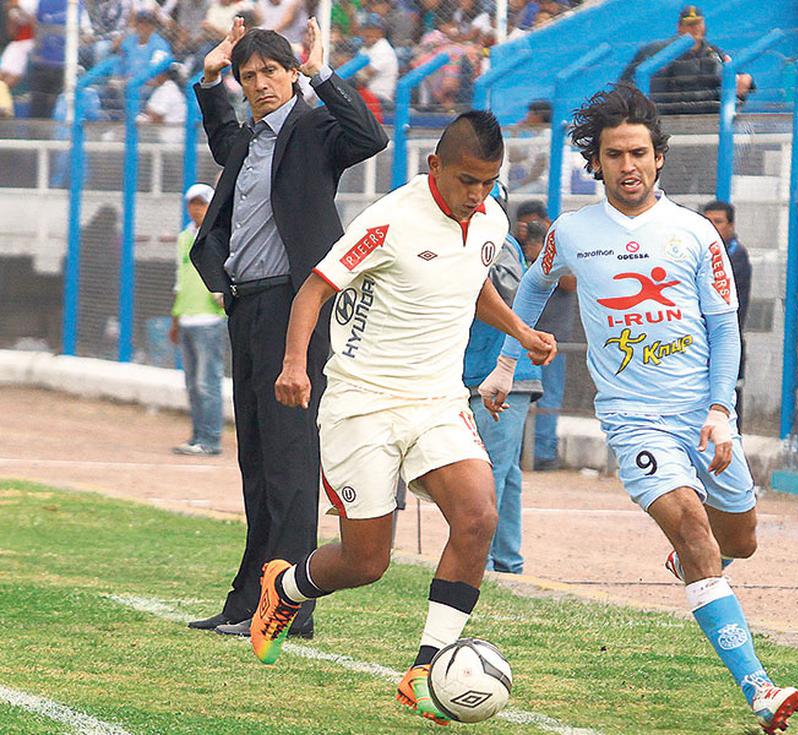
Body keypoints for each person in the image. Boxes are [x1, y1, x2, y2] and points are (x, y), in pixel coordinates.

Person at [479, 84, 798, 734]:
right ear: (594, 163)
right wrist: (510, 357)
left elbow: (724, 328)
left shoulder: (695, 233)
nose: (628, 165)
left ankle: (693, 561)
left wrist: (719, 409)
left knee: (740, 538)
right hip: (633, 418)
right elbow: (537, 282)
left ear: (659, 159)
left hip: (702, 415)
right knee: (692, 528)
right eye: (614, 154)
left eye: (639, 153)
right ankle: (760, 688)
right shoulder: (571, 232)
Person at [244, 111, 557, 726]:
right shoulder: (389, 220)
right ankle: (284, 589)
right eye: (467, 180)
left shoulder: (488, 219)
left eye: (489, 182)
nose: (478, 196)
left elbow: (472, 281)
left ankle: (426, 668)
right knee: (367, 563)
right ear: (434, 165)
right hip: (362, 402)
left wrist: (519, 328)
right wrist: (294, 366)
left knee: (478, 516)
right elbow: (314, 289)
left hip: (437, 399)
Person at [185, 17, 388, 638]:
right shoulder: (245, 140)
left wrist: (323, 70)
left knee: (291, 462)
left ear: (292, 72)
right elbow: (219, 128)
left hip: (294, 309)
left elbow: (370, 136)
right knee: (256, 460)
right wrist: (211, 76)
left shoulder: (315, 129)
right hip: (246, 307)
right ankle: (247, 599)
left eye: (270, 71)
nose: (260, 84)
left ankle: (288, 604)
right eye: (249, 77)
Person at [463, 184, 543, 575]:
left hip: (502, 371)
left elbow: (513, 294)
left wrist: (477, 265)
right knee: (505, 473)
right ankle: (506, 563)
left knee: (489, 470)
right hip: (480, 370)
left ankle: (485, 561)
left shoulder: (500, 243)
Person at [514, 201, 575, 470]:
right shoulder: (516, 249)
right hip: (520, 336)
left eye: (537, 225)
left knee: (549, 397)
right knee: (517, 396)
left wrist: (545, 257)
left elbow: (571, 284)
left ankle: (543, 454)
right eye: (527, 226)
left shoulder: (562, 247)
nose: (532, 231)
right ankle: (520, 451)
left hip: (553, 338)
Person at [169, 184, 225, 457]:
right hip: (188, 317)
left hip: (209, 320)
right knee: (193, 384)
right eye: (192, 203)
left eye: (201, 204)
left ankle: (211, 438)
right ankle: (198, 435)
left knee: (207, 382)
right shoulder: (183, 238)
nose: (195, 209)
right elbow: (179, 281)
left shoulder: (218, 236)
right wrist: (175, 319)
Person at [618, 5, 753, 116]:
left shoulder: (715, 54)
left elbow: (737, 86)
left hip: (709, 122)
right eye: (689, 24)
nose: (694, 29)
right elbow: (626, 83)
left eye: (698, 23)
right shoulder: (658, 52)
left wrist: (744, 82)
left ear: (704, 25)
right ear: (679, 27)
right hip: (667, 120)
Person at [703, 200, 752, 427]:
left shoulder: (735, 255)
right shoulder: (704, 253)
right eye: (707, 222)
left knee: (727, 400)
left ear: (730, 226)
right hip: (702, 343)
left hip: (725, 340)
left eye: (718, 222)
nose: (712, 227)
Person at [357, 12, 397, 107]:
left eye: (373, 29)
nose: (369, 32)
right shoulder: (365, 47)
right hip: (366, 96)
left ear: (380, 32)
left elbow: (364, 77)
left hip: (380, 99)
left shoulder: (383, 48)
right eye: (367, 28)